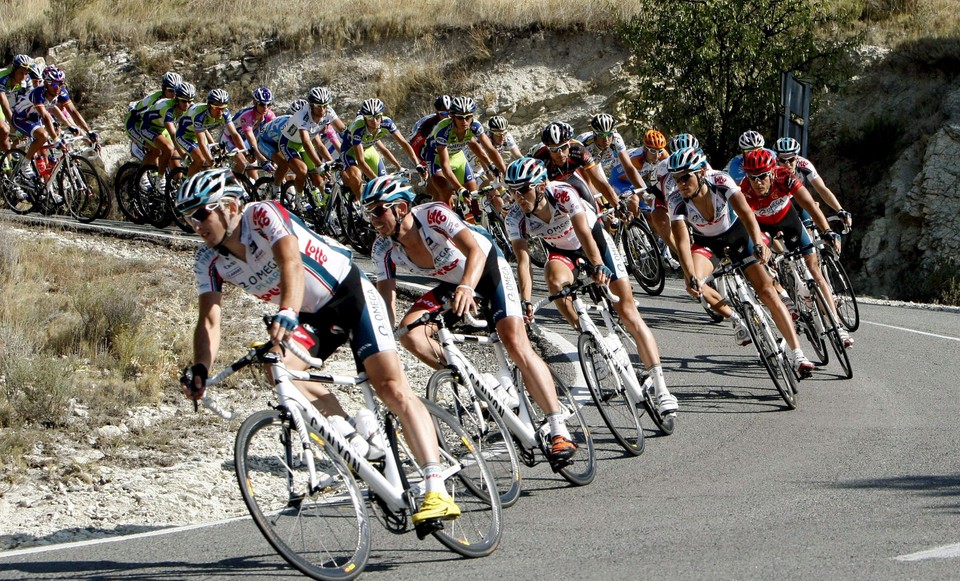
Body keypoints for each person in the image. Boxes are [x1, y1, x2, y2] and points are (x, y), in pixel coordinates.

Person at [176, 168, 461, 525]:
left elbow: (290, 262)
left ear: (231, 206)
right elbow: (209, 321)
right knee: (277, 367)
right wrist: (200, 367)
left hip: (349, 295)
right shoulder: (208, 260)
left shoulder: (262, 215)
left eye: (201, 213)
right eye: (188, 217)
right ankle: (353, 435)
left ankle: (436, 488)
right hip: (313, 315)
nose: (195, 224)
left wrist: (286, 312)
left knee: (390, 387)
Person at [364, 173, 579, 461]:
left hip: (486, 268)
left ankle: (558, 427)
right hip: (453, 283)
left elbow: (474, 251)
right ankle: (480, 383)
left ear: (400, 208)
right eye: (368, 212)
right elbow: (386, 302)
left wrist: (467, 285)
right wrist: (382, 342)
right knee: (409, 333)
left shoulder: (434, 215)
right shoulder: (382, 248)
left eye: (378, 210)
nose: (372, 219)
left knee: (514, 341)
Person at [503, 157, 680, 417]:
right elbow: (523, 261)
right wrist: (526, 300)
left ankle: (662, 388)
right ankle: (592, 339)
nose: (517, 197)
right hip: (563, 253)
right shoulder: (515, 217)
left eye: (522, 190)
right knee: (553, 279)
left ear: (540, 186)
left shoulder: (562, 194)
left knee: (628, 312)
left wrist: (598, 265)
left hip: (594, 241)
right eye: (512, 191)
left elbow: (584, 232)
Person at [665, 147, 816, 376]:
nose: (681, 184)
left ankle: (797, 354)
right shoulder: (676, 199)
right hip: (706, 243)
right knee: (696, 283)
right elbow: (683, 241)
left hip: (737, 233)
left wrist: (758, 243)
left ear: (701, 173)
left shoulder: (721, 181)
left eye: (686, 177)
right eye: (676, 179)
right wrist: (690, 275)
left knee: (767, 292)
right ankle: (735, 318)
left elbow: (746, 213)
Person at [739, 149, 854, 347]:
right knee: (760, 260)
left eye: (762, 177)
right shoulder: (745, 190)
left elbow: (809, 204)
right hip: (763, 228)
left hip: (788, 221)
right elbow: (748, 223)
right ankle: (784, 295)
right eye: (752, 177)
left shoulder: (785, 177)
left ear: (773, 172)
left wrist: (826, 231)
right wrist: (760, 247)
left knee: (815, 271)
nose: (757, 183)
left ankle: (837, 326)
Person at [423, 96, 506, 218]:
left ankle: (475, 225)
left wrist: (499, 169)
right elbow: (445, 165)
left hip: (457, 156)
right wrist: (460, 189)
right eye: (460, 118)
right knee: (445, 191)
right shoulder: (443, 130)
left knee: (473, 194)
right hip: (437, 159)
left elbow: (490, 149)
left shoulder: (475, 126)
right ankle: (440, 221)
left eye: (468, 117)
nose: (464, 121)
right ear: (452, 117)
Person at [531, 122, 623, 214]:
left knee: (593, 207)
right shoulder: (540, 158)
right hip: (548, 182)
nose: (560, 154)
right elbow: (541, 191)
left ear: (569, 144)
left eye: (563, 147)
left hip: (569, 176)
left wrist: (618, 205)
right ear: (547, 149)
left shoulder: (578, 149)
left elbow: (599, 181)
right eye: (554, 150)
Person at [340, 97, 420, 201]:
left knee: (385, 184)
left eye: (377, 117)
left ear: (382, 116)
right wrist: (376, 181)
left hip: (368, 149)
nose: (374, 121)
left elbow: (403, 143)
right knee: (357, 177)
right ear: (364, 118)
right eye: (369, 117)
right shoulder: (358, 128)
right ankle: (362, 206)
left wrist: (416, 164)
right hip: (350, 151)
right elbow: (361, 161)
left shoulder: (387, 122)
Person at [277, 87, 346, 197]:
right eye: (318, 106)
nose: (322, 109)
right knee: (302, 171)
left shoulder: (328, 110)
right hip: (289, 143)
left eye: (325, 105)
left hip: (306, 142)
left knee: (319, 181)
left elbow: (342, 130)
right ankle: (299, 199)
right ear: (311, 105)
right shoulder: (302, 115)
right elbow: (306, 142)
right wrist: (319, 165)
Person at [773, 137, 852, 231]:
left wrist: (840, 210)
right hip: (777, 202)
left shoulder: (804, 164)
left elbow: (822, 189)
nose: (787, 164)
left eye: (791, 159)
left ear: (797, 157)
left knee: (809, 227)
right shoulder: (772, 168)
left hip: (796, 198)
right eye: (783, 160)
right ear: (777, 159)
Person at [175, 88, 248, 177]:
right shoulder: (200, 115)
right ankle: (186, 187)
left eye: (223, 108)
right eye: (217, 108)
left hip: (199, 133)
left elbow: (234, 134)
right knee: (201, 159)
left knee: (207, 168)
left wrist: (246, 153)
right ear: (209, 105)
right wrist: (212, 162)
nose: (220, 112)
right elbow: (201, 143)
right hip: (184, 135)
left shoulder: (225, 113)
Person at [125, 71, 181, 169]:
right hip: (136, 124)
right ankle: (141, 176)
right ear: (164, 89)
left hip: (158, 127)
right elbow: (135, 113)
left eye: (177, 91)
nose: (174, 94)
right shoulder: (153, 100)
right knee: (156, 150)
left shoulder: (178, 102)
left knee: (174, 155)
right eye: (171, 90)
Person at [219, 86, 277, 180]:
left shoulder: (269, 115)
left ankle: (255, 190)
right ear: (255, 103)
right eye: (262, 104)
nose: (266, 108)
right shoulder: (247, 115)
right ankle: (235, 186)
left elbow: (275, 134)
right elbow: (250, 137)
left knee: (253, 167)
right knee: (242, 163)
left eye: (269, 104)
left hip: (244, 140)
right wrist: (261, 159)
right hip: (230, 139)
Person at [0, 54, 33, 152]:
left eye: (26, 73)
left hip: (8, 97)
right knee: (5, 129)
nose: (23, 76)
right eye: (21, 72)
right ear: (14, 70)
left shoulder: (26, 79)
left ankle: (8, 158)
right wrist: (15, 127)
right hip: (2, 99)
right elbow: (4, 105)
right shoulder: (3, 77)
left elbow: (32, 102)